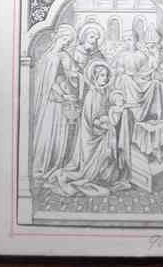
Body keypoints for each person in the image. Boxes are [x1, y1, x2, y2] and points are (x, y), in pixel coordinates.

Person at [45, 61, 130, 196]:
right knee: (108, 143)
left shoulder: (104, 90)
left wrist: (117, 99)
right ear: (95, 77)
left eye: (106, 75)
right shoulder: (92, 95)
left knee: (112, 139)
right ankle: (96, 175)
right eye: (102, 75)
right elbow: (92, 120)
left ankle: (105, 176)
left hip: (103, 131)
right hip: (92, 136)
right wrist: (105, 123)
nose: (105, 78)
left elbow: (113, 95)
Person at [31, 24, 79, 180]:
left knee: (59, 134)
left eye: (68, 41)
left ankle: (55, 165)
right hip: (51, 103)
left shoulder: (63, 56)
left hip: (61, 101)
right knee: (48, 132)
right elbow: (47, 82)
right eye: (65, 39)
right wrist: (62, 94)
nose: (66, 43)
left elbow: (71, 76)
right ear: (58, 38)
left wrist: (72, 79)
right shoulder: (49, 57)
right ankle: (42, 167)